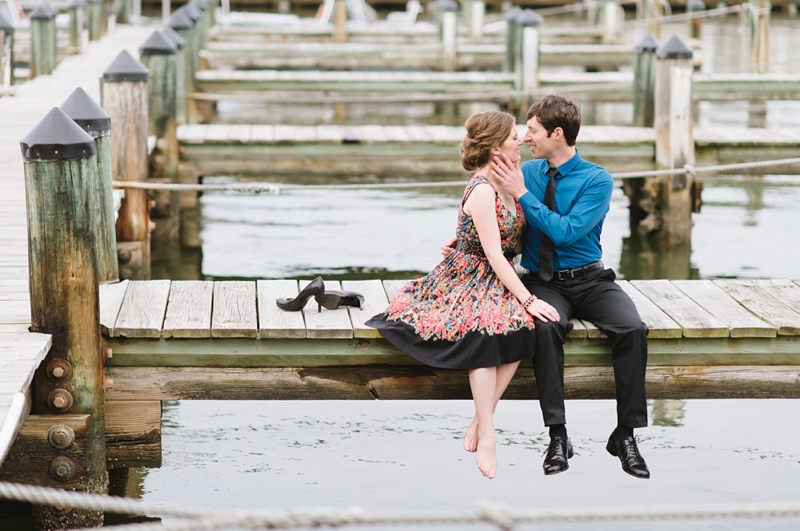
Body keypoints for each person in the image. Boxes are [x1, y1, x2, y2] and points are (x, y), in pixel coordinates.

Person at [366, 111, 559, 480]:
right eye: (514, 136)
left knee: (525, 327)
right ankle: (488, 433)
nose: (520, 141)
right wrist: (528, 296)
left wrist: (468, 235)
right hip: (469, 277)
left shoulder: (508, 184)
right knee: (485, 332)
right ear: (495, 147)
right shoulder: (483, 190)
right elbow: (496, 257)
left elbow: (513, 243)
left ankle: (478, 417)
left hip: (495, 275)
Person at [484, 94, 651, 479]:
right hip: (544, 281)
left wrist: (522, 192)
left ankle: (625, 435)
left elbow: (567, 232)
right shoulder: (526, 171)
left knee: (633, 329)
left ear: (557, 134)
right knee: (546, 327)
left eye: (533, 130)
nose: (526, 138)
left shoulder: (597, 179)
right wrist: (468, 242)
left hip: (592, 279)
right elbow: (508, 225)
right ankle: (558, 435)